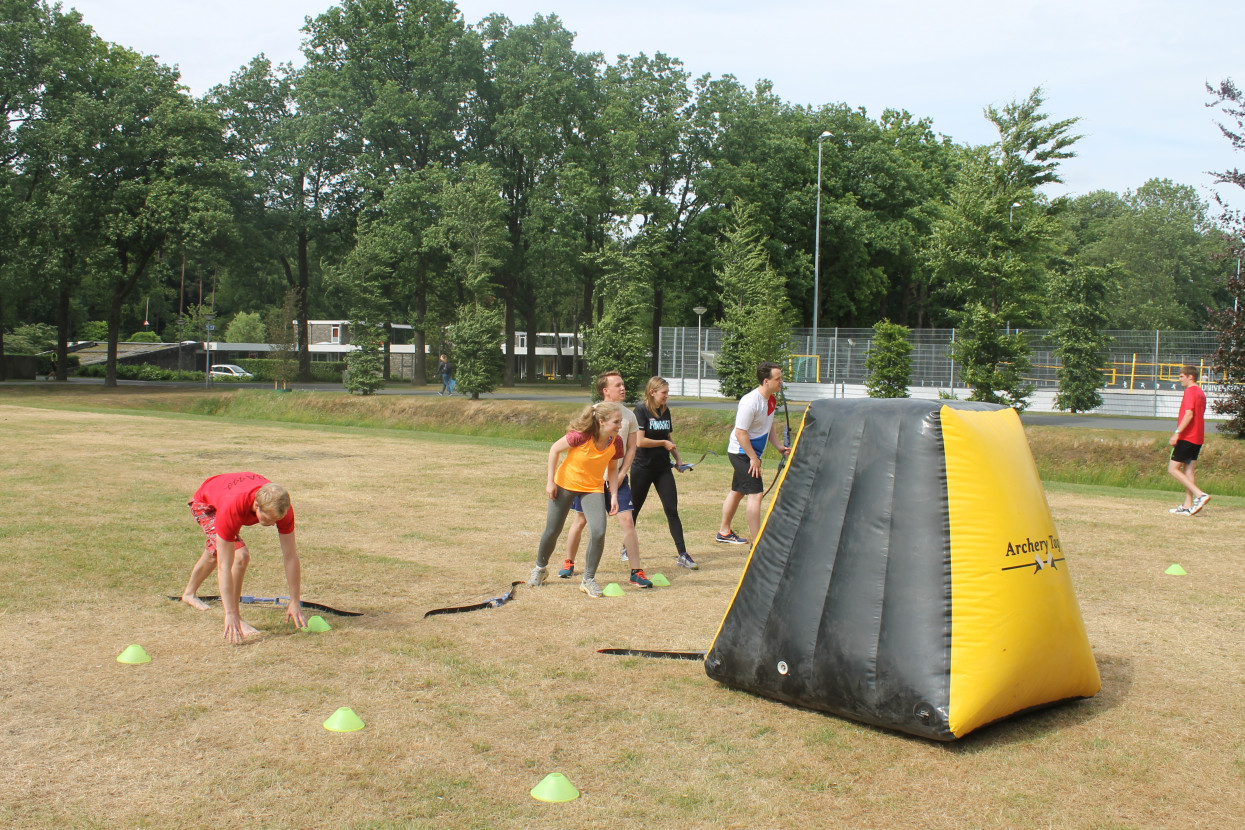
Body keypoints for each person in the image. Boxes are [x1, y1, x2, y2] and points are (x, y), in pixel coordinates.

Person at [180, 472, 307, 643]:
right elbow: (224, 567)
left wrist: (294, 601)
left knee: (214, 553)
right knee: (240, 556)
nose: (272, 524)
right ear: (256, 505)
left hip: (225, 493)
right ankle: (237, 618)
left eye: (276, 520)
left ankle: (189, 594)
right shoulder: (232, 506)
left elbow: (290, 556)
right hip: (205, 504)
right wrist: (230, 614)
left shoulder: (282, 509)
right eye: (268, 519)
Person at [557, 370, 653, 588]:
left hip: (617, 478)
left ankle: (636, 571)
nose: (622, 388)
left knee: (627, 520)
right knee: (580, 521)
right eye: (617, 385)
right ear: (605, 390)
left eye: (623, 384)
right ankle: (569, 561)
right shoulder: (593, 413)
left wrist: (621, 474)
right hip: (589, 481)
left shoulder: (630, 416)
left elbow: (631, 448)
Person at [529, 402, 624, 598]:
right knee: (553, 530)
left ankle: (588, 579)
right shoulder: (580, 436)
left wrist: (613, 495)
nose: (619, 425)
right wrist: (550, 482)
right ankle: (540, 569)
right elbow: (554, 450)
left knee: (598, 531)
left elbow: (613, 469)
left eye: (620, 421)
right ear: (602, 421)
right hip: (565, 484)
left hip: (593, 488)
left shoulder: (616, 442)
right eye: (616, 422)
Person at [717, 362, 789, 547]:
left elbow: (769, 425)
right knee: (756, 494)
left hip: (749, 453)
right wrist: (753, 458)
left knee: (738, 491)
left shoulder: (771, 399)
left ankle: (724, 531)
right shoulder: (750, 402)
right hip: (741, 452)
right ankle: (757, 542)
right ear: (766, 381)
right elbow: (741, 432)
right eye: (778, 378)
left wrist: (779, 446)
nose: (781, 381)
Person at [630, 376, 698, 570]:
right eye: (664, 393)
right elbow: (640, 442)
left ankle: (682, 554)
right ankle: (627, 548)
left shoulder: (665, 411)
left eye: (667, 393)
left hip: (662, 468)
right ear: (652, 392)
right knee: (634, 510)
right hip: (642, 468)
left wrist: (678, 459)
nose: (667, 396)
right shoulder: (640, 411)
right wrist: (663, 443)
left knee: (672, 509)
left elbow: (667, 436)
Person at [1168, 365, 1210, 515]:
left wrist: (1177, 433)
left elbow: (1189, 415)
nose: (1180, 380)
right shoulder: (1201, 393)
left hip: (1188, 436)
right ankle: (1187, 505)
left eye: (1181, 377)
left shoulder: (1190, 392)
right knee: (1188, 470)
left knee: (1172, 469)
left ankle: (1200, 495)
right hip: (1198, 437)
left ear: (1190, 377)